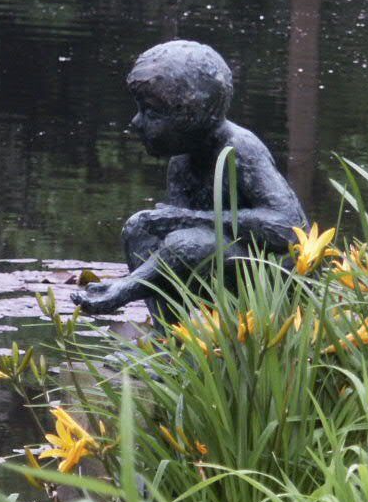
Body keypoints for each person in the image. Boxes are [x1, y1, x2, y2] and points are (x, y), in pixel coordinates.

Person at [72, 40, 307, 317]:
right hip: (218, 261)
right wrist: (181, 222)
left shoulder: (240, 147)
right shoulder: (180, 161)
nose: (136, 122)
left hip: (272, 277)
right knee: (140, 228)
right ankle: (172, 338)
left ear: (191, 115)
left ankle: (124, 292)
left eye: (151, 112)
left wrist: (188, 220)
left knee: (191, 242)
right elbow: (174, 241)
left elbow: (290, 228)